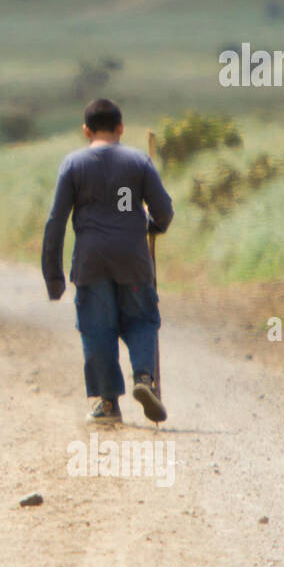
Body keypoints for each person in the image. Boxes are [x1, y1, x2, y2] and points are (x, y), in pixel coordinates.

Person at [41, 99, 173, 425]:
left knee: (97, 328)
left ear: (86, 130)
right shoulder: (139, 161)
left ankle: (108, 403)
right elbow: (164, 211)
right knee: (142, 318)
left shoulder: (73, 164)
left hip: (91, 260)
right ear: (121, 128)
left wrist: (53, 276)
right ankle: (144, 378)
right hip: (133, 257)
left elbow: (55, 221)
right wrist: (153, 226)